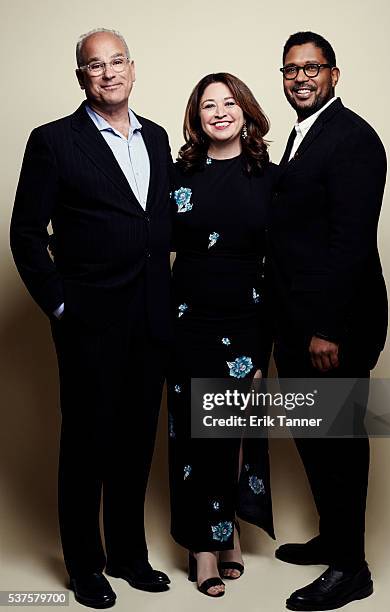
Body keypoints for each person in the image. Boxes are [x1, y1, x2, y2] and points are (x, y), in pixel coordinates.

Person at [10, 28, 172, 609]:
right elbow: (26, 234)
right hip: (89, 322)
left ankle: (130, 555)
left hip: (151, 319)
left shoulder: (156, 138)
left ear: (133, 68)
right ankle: (85, 566)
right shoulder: (54, 141)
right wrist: (60, 305)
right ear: (81, 76)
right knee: (86, 444)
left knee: (134, 444)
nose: (108, 73)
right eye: (94, 65)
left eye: (117, 62)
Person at [267, 31, 388, 611]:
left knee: (338, 442)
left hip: (333, 327)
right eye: (291, 70)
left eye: (312, 68)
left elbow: (351, 244)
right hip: (296, 323)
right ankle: (335, 538)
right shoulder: (302, 135)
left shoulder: (353, 138)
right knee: (313, 439)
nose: (301, 78)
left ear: (334, 74)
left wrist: (329, 328)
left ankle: (351, 568)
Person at [168, 73, 276, 598]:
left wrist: (264, 347)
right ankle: (203, 549)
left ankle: (227, 528)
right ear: (197, 117)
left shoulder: (269, 176)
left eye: (228, 102)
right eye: (207, 105)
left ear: (246, 110)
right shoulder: (177, 175)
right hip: (188, 320)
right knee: (195, 437)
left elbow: (280, 265)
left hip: (247, 321)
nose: (219, 112)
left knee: (233, 436)